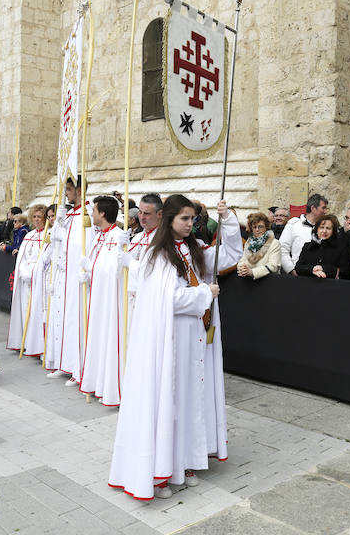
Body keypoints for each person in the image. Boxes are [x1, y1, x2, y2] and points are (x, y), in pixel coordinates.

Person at [109, 195, 242, 500]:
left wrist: (229, 221)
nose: (190, 223)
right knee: (168, 400)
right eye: (184, 218)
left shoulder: (193, 248)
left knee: (187, 399)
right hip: (169, 338)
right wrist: (203, 293)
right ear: (169, 219)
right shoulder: (159, 255)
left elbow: (229, 255)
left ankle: (184, 462)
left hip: (192, 336)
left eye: (193, 218)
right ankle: (160, 470)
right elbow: (166, 300)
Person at [77, 196, 129, 406]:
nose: (91, 214)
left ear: (103, 214)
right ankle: (96, 382)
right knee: (95, 338)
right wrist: (88, 272)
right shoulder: (98, 236)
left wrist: (93, 269)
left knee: (109, 339)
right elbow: (99, 266)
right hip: (96, 299)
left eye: (94, 210)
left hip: (110, 301)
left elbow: (117, 272)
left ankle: (112, 387)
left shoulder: (118, 237)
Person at [44, 177, 88, 381]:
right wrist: (59, 223)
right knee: (60, 317)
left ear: (80, 190)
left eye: (69, 190)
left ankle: (75, 367)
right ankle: (62, 361)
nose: (67, 194)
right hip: (63, 272)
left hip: (75, 275)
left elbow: (80, 244)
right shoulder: (70, 213)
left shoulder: (86, 214)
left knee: (73, 318)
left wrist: (62, 231)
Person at [6, 205, 48, 357]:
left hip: (39, 280)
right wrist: (24, 272)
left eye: (40, 216)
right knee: (26, 311)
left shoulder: (48, 235)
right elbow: (22, 258)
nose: (37, 219)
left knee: (38, 312)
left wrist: (34, 272)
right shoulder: (29, 235)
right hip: (26, 281)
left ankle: (39, 345)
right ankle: (26, 342)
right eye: (34, 216)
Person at [279, 193, 328, 274]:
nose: (325, 211)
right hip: (298, 274)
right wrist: (291, 270)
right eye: (323, 208)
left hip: (320, 276)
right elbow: (282, 248)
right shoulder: (294, 224)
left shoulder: (325, 228)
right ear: (313, 208)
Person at [237, 212, 281, 280]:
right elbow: (242, 261)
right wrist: (242, 268)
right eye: (254, 227)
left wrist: (253, 272)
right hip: (249, 282)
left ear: (266, 227)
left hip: (269, 281)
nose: (257, 230)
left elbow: (274, 266)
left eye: (260, 226)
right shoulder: (249, 243)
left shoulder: (274, 243)